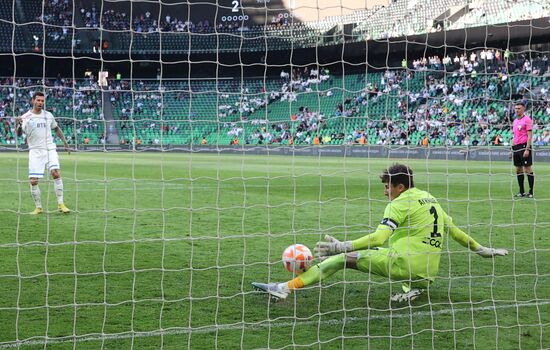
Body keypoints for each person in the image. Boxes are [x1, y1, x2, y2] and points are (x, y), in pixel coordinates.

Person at [252, 164, 508, 302]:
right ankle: (414, 289)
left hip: (402, 264)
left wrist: (342, 246)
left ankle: (284, 288)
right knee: (401, 255)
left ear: (399, 187)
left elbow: (378, 238)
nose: (385, 191)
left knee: (342, 260)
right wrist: (482, 250)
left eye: (388, 187)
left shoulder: (398, 203)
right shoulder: (431, 199)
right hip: (428, 273)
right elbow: (455, 232)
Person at [16, 92, 71, 214]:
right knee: (34, 180)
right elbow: (19, 134)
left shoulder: (48, 115)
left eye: (42, 101)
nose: (40, 103)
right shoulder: (25, 117)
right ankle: (38, 207)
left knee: (56, 173)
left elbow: (56, 128)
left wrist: (65, 143)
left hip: (49, 149)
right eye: (38, 100)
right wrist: (18, 125)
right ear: (33, 101)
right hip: (35, 151)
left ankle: (61, 204)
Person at [510, 102, 534, 198]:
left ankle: (531, 192)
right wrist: (511, 149)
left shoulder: (527, 120)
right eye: (516, 108)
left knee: (527, 168)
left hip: (524, 146)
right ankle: (521, 191)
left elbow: (529, 136)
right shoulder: (515, 121)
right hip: (516, 147)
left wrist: (527, 149)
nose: (517, 110)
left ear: (523, 109)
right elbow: (514, 136)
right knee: (518, 169)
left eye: (519, 108)